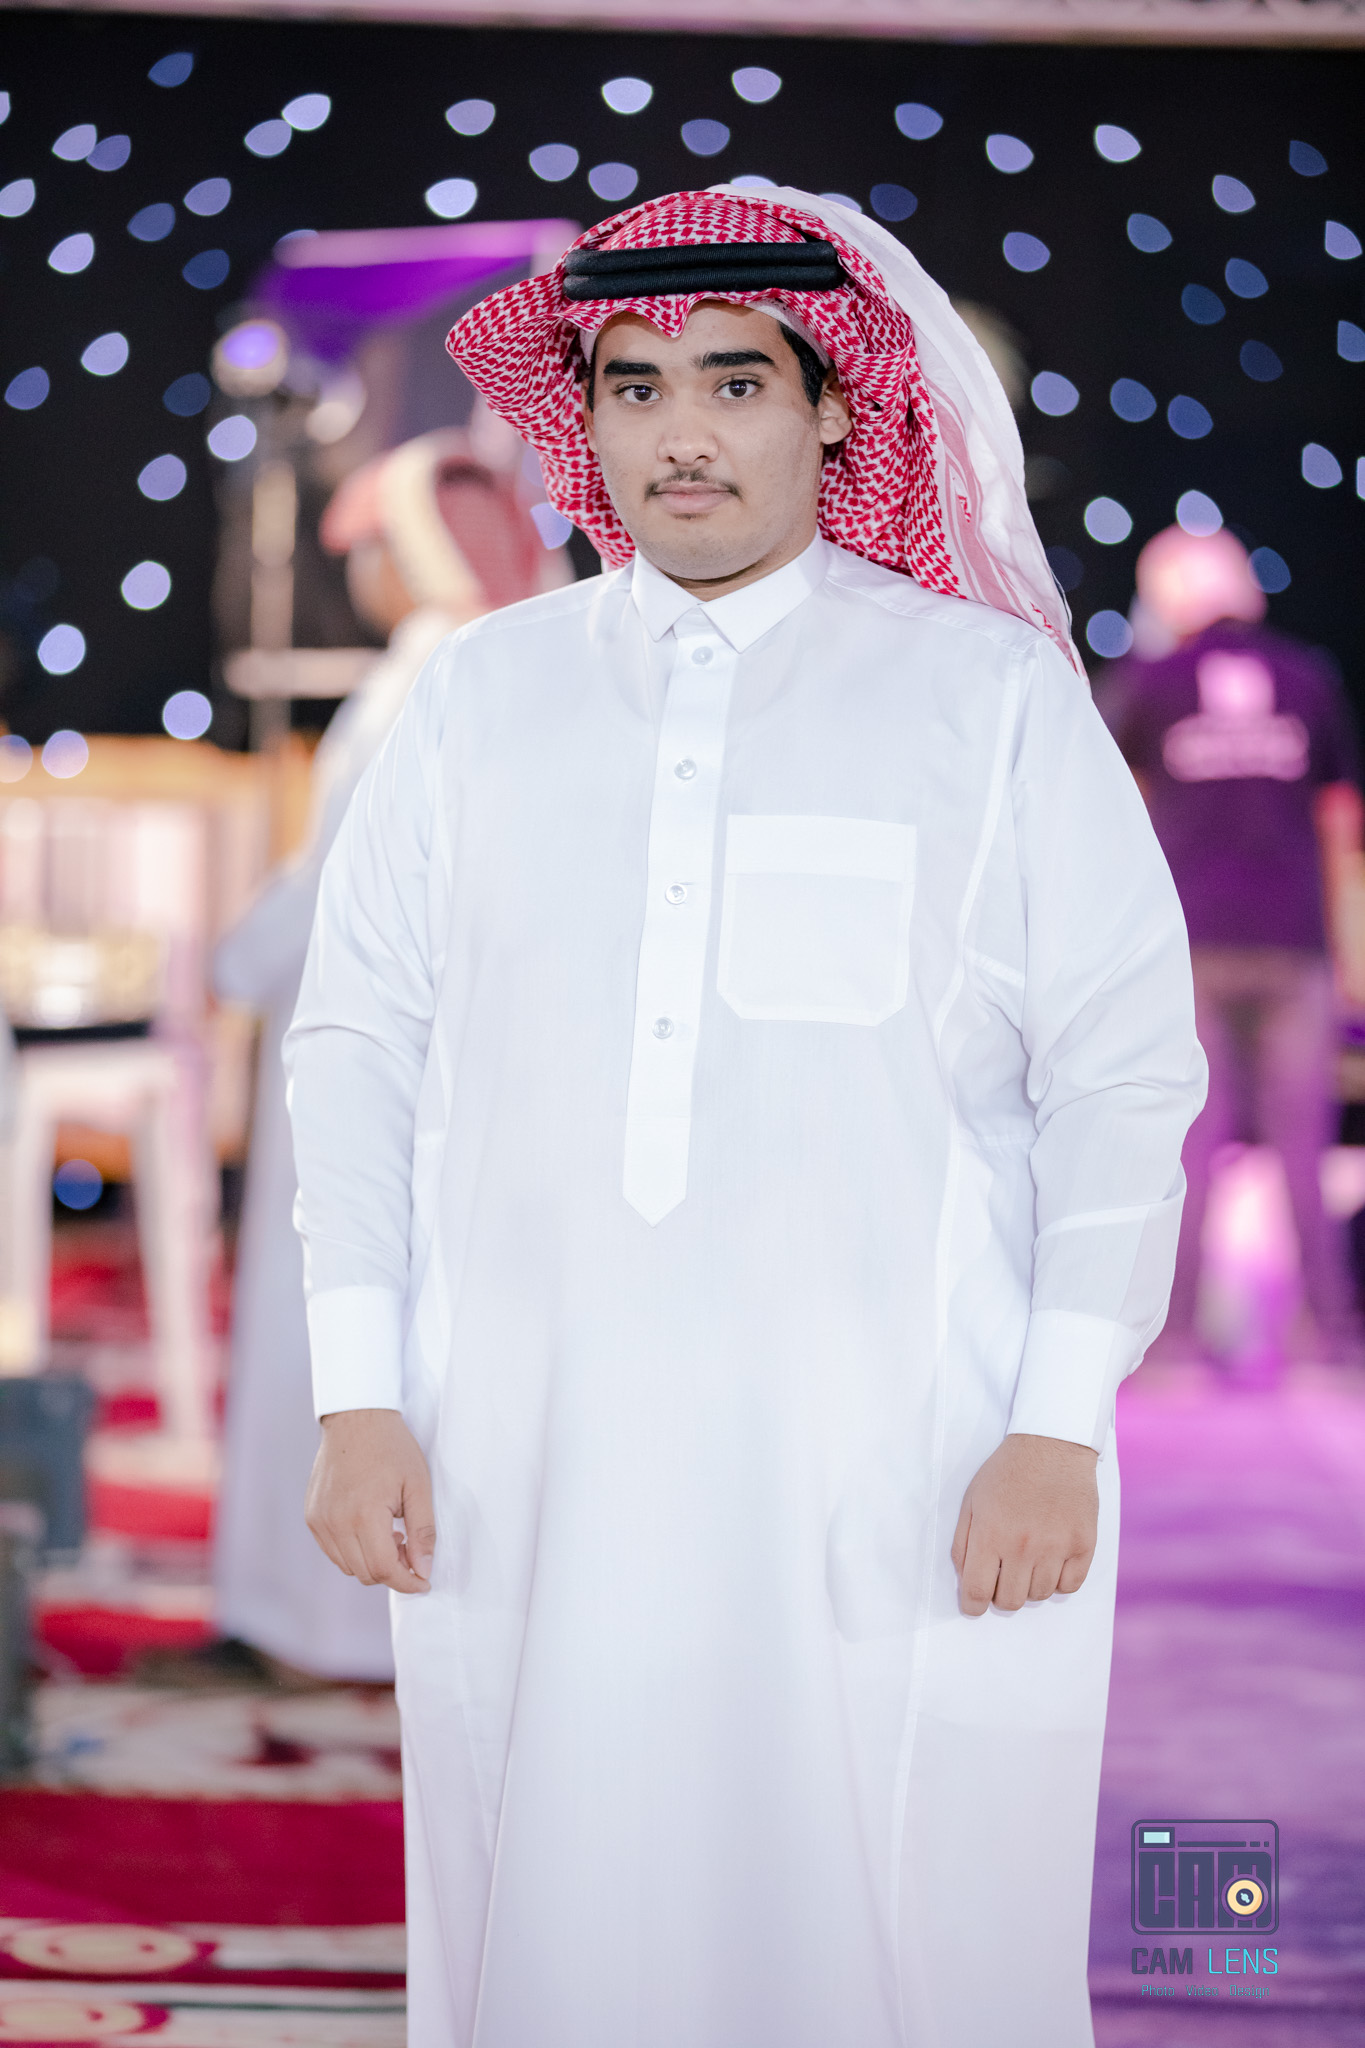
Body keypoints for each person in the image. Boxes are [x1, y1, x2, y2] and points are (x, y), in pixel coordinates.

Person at [286, 187, 1204, 2046]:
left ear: (837, 403)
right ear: (582, 419)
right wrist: (357, 1391)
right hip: (526, 1447)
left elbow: (1123, 1071)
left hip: (897, 1460)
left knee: (895, 1918)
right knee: (556, 1898)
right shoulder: (481, 698)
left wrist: (1055, 1424)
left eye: (733, 381)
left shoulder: (989, 702)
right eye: (633, 388)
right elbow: (357, 1042)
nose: (680, 435)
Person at [212, 428, 563, 1680]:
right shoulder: (535, 670)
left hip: (366, 1050)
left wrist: (221, 971)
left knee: (334, 1324)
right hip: (472, 1061)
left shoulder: (429, 672)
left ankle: (315, 1626)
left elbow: (337, 894)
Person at [1100, 523, 1363, 1370]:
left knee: (1183, 1152)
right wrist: (1351, 954)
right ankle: (1325, 1345)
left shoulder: (1146, 681)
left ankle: (1170, 1348)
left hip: (1185, 955)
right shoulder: (1306, 676)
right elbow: (1339, 822)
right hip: (1296, 949)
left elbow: (1113, 819)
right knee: (1302, 1150)